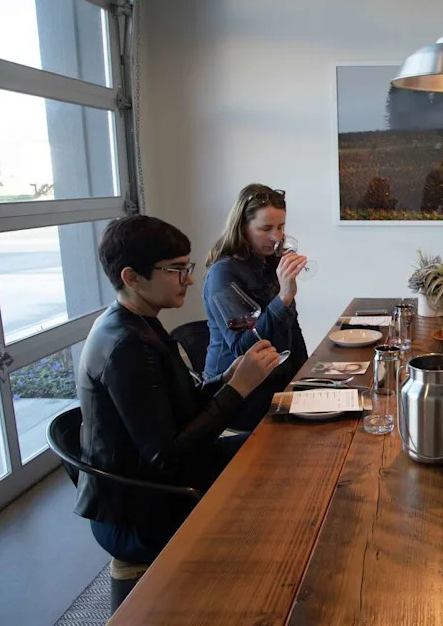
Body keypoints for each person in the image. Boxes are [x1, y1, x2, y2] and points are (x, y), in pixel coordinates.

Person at [75, 215, 281, 564]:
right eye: (175, 269)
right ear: (132, 277)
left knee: (277, 447)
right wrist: (238, 390)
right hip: (142, 510)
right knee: (275, 480)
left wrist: (229, 376)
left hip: (157, 484)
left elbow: (179, 403)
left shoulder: (136, 322)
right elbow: (167, 458)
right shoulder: (127, 345)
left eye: (188, 266)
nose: (189, 279)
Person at [204, 184, 310, 431]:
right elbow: (245, 349)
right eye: (266, 228)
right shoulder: (224, 273)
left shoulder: (270, 263)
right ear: (242, 228)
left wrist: (304, 379)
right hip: (240, 397)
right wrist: (283, 298)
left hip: (276, 382)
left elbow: (290, 328)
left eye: (281, 227)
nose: (277, 236)